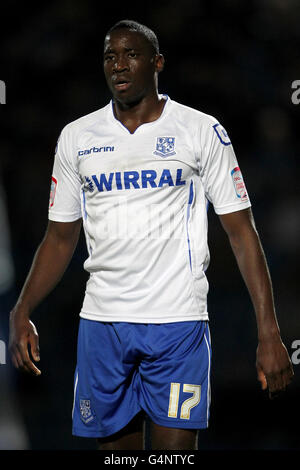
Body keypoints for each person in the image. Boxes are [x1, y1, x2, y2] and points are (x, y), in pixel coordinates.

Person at [9, 19, 294, 451]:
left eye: (131, 54)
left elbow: (241, 232)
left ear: (157, 62)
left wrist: (269, 333)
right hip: (103, 326)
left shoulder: (201, 131)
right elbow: (60, 238)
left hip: (177, 325)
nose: (119, 65)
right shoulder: (76, 137)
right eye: (110, 56)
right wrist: (22, 308)